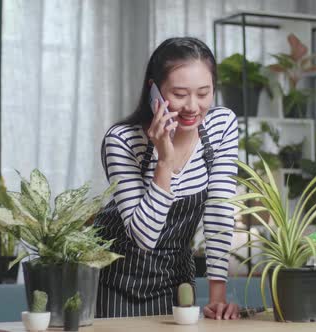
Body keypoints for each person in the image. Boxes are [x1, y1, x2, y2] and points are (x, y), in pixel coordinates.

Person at [94, 37, 239, 320]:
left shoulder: (222, 126)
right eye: (180, 94)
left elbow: (219, 209)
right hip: (117, 284)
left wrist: (217, 297)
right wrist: (165, 160)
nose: (193, 107)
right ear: (154, 91)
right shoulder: (122, 141)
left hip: (177, 283)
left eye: (203, 93)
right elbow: (144, 237)